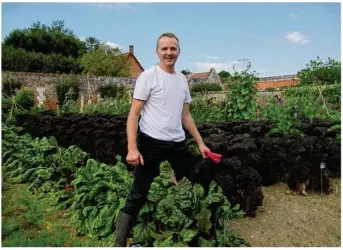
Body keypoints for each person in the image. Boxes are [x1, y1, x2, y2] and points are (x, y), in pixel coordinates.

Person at [114, 32, 211, 247]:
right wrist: (132, 148)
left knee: (188, 187)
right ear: (157, 51)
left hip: (177, 144)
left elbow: (185, 115)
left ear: (179, 52)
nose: (169, 52)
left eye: (173, 48)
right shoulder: (148, 77)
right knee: (139, 192)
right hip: (151, 143)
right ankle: (120, 242)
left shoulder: (183, 80)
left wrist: (200, 143)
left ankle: (185, 235)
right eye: (164, 48)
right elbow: (134, 115)